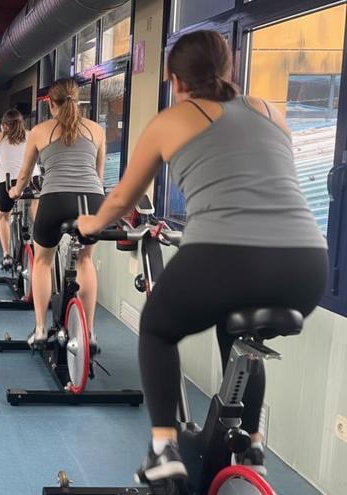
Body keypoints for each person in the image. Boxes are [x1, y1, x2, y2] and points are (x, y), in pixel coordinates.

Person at [76, 30, 327, 485]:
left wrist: (91, 225)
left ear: (174, 79)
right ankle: (250, 445)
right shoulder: (269, 111)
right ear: (228, 68)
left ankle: (163, 446)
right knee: (238, 334)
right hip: (306, 266)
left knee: (156, 326)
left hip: (224, 256)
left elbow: (121, 199)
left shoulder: (172, 118)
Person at [9, 78, 106, 347]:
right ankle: (90, 333)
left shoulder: (39, 131)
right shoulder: (97, 130)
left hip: (55, 198)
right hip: (91, 199)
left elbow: (26, 174)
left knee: (42, 261)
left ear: (50, 103)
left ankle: (40, 329)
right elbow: (98, 174)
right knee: (86, 260)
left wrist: (16, 191)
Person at [0, 109, 29, 269]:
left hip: (7, 181)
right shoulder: (30, 135)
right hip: (31, 180)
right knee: (35, 214)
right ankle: (35, 246)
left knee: (3, 216)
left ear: (3, 125)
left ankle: (6, 254)